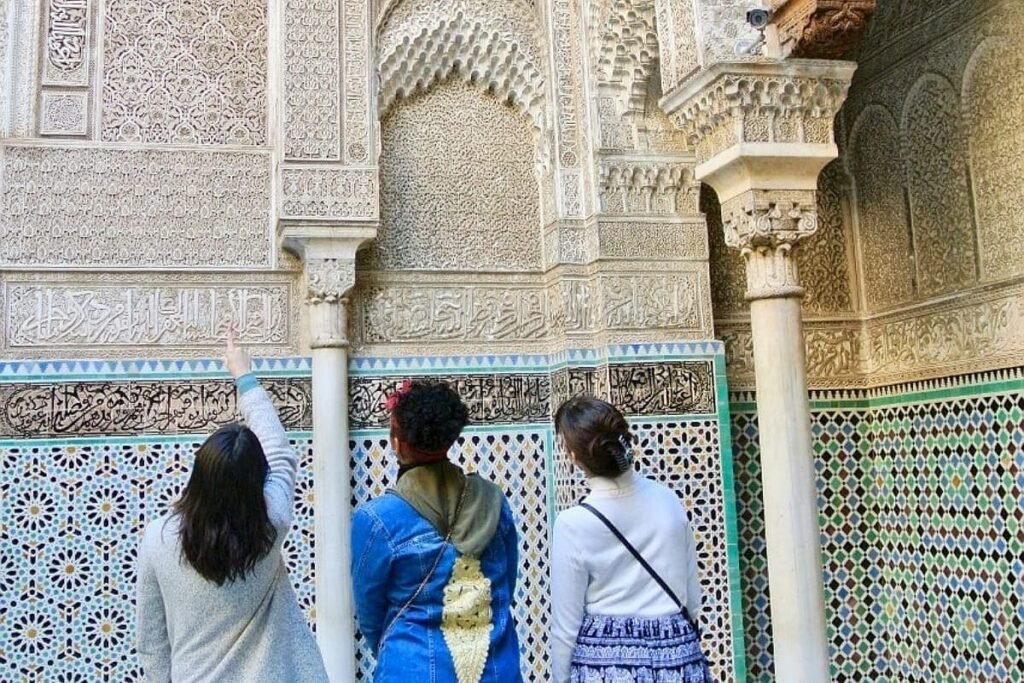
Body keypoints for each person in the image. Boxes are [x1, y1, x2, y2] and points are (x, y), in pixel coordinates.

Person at [135, 330, 328, 682]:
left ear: (197, 477)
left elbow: (152, 643)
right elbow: (279, 452)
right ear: (258, 481)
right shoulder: (271, 522)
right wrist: (244, 375)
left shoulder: (158, 540)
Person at [351, 380, 523, 683]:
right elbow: (504, 587)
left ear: (398, 442)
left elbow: (370, 616)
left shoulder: (376, 519)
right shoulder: (492, 500)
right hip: (495, 668)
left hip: (411, 668)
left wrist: (404, 647)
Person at [550, 396, 712, 683]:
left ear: (573, 457)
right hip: (678, 656)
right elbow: (693, 600)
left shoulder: (573, 524)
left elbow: (566, 628)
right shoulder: (669, 501)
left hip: (606, 668)